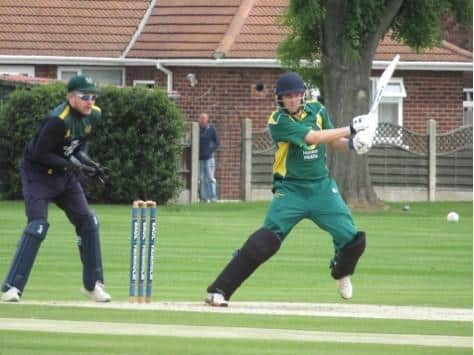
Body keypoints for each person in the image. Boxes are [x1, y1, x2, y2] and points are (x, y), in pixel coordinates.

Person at [205, 72, 374, 306]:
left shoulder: (318, 110)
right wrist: (351, 128)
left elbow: (332, 143)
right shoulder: (278, 121)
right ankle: (219, 291)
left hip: (322, 188)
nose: (293, 100)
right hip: (290, 190)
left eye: (296, 94)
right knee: (265, 241)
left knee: (352, 240)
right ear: (280, 99)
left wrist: (353, 146)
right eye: (288, 96)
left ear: (303, 95)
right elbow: (312, 138)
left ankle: (340, 272)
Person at [1, 74, 111, 302]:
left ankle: (92, 285)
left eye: (93, 96)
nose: (90, 101)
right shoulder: (57, 120)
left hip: (64, 177)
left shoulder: (94, 115)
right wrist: (75, 166)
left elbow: (79, 145)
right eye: (85, 97)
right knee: (38, 226)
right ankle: (12, 287)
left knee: (88, 222)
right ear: (71, 97)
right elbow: (41, 154)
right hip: (38, 176)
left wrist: (89, 164)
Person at [198, 112, 219, 202]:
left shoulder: (211, 129)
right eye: (200, 118)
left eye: (204, 118)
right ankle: (203, 198)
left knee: (210, 178)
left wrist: (210, 150)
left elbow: (217, 143)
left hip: (209, 158)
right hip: (199, 158)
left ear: (207, 120)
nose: (202, 120)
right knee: (201, 178)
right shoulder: (197, 129)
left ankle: (213, 198)